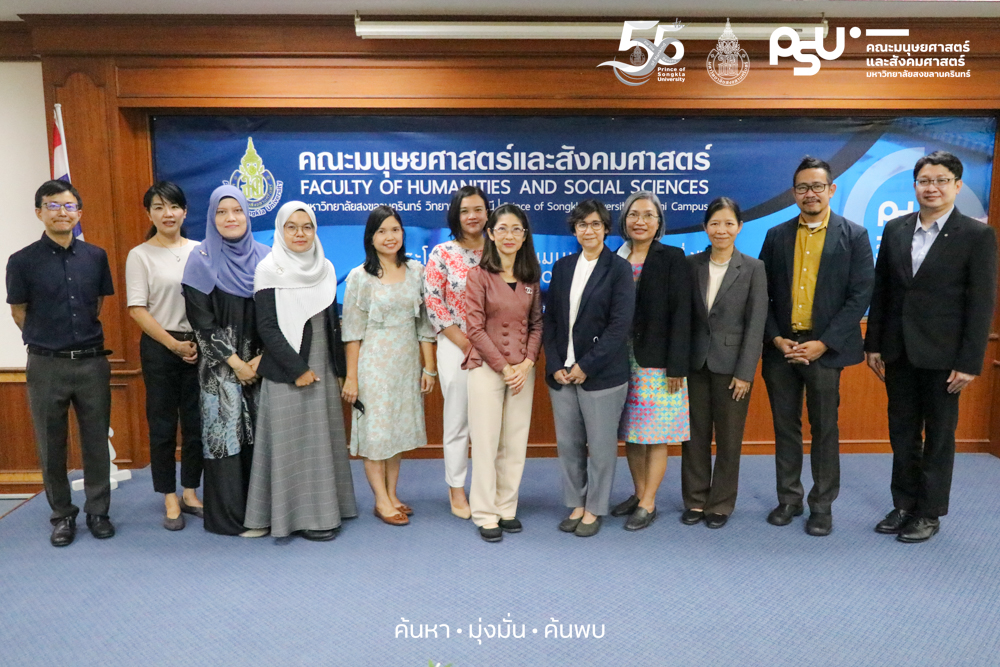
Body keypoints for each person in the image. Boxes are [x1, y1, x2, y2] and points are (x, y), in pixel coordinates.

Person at [865, 150, 997, 543]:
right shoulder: (896, 228)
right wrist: (873, 344)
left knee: (939, 436)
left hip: (945, 357)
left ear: (957, 186)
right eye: (925, 180)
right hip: (899, 351)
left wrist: (970, 361)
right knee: (902, 432)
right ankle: (903, 503)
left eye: (941, 180)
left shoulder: (977, 235)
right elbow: (883, 290)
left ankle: (929, 512)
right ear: (915, 186)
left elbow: (981, 303)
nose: (932, 187)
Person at [758, 156, 874, 537]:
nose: (810, 194)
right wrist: (776, 337)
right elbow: (763, 296)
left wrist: (823, 343)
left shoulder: (854, 235)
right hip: (781, 347)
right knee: (785, 426)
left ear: (831, 190)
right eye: (803, 188)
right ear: (794, 193)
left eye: (817, 187)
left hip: (825, 350)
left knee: (824, 427)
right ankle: (789, 498)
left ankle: (821, 505)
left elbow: (859, 296)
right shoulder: (776, 235)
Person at [6, 179, 115, 547]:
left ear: (79, 213)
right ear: (39, 212)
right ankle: (62, 516)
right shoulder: (21, 261)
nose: (62, 212)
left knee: (96, 441)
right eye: (53, 206)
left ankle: (98, 511)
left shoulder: (96, 257)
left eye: (69, 206)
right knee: (51, 445)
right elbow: (19, 313)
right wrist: (49, 341)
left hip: (91, 363)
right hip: (46, 364)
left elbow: (95, 306)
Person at [244, 201, 358, 541]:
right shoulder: (268, 270)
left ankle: (324, 513)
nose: (300, 233)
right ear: (280, 230)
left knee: (318, 442)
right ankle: (289, 518)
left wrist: (338, 369)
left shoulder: (325, 267)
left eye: (307, 226)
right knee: (289, 445)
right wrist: (297, 368)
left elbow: (331, 325)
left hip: (321, 364)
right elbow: (266, 327)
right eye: (292, 226)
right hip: (286, 370)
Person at [182, 184, 270, 536]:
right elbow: (202, 323)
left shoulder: (267, 258)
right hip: (218, 372)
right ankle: (232, 519)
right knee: (227, 440)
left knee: (263, 439)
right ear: (212, 217)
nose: (230, 218)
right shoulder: (199, 260)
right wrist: (237, 364)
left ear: (247, 214)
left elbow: (278, 318)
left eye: (236, 210)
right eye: (222, 212)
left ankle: (265, 513)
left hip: (265, 369)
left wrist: (260, 361)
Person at [543, 200, 634, 537]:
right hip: (562, 375)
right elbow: (550, 319)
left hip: (602, 376)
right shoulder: (564, 266)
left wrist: (585, 365)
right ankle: (577, 504)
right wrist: (555, 365)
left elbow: (619, 326)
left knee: (600, 447)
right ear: (574, 230)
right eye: (582, 225)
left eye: (596, 224)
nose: (589, 230)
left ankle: (595, 508)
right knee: (568, 446)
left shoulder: (619, 269)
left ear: (606, 228)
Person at [341, 206, 436, 527]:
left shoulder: (417, 271)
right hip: (373, 367)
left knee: (397, 433)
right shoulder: (359, 277)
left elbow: (425, 325)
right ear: (371, 237)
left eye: (394, 229)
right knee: (376, 435)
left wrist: (429, 367)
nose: (389, 237)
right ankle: (381, 501)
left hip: (406, 365)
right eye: (381, 231)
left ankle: (393, 494)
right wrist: (351, 377)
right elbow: (351, 331)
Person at [680, 197, 768, 529]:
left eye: (729, 223)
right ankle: (696, 500)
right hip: (695, 365)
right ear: (705, 227)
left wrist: (746, 373)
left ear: (739, 227)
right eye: (715, 223)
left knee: (729, 438)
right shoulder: (691, 265)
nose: (722, 230)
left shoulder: (753, 268)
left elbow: (756, 324)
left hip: (732, 367)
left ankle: (721, 503)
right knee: (695, 436)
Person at [610, 191, 691, 531]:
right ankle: (639, 492)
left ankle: (649, 502)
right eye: (633, 215)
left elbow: (683, 314)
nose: (639, 221)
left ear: (659, 223)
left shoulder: (673, 258)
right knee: (631, 432)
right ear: (624, 221)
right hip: (619, 360)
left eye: (647, 215)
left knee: (656, 434)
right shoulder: (614, 257)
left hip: (659, 362)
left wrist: (677, 366)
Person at [125, 181, 203, 531]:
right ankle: (168, 496)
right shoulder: (140, 254)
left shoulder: (201, 251)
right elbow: (137, 310)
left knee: (196, 425)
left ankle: (190, 491)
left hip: (199, 347)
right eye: (158, 207)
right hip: (161, 348)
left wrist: (199, 342)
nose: (167, 213)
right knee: (162, 425)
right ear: (149, 213)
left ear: (184, 211)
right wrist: (173, 344)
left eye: (173, 206)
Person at [464, 203, 543, 543]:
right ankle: (484, 512)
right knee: (485, 443)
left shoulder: (530, 277)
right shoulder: (478, 276)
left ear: (524, 236)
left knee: (514, 443)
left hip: (522, 372)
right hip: (487, 370)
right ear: (491, 235)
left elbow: (537, 323)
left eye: (516, 230)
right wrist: (506, 367)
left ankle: (506, 508)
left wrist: (526, 364)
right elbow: (475, 329)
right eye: (503, 229)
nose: (509, 236)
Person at [423, 185, 489, 519]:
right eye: (465, 211)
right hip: (456, 347)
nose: (472, 216)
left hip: (498, 350)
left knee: (491, 424)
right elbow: (434, 304)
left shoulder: (500, 250)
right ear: (456, 215)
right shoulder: (442, 253)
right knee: (458, 421)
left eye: (478, 209)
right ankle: (457, 489)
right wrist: (467, 343)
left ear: (487, 212)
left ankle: (488, 489)